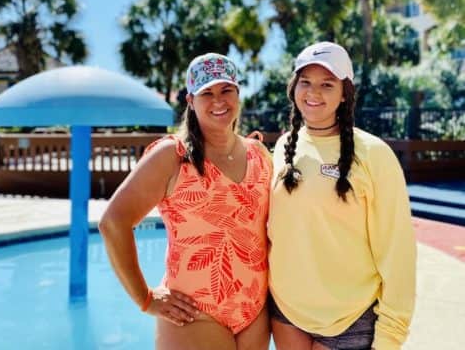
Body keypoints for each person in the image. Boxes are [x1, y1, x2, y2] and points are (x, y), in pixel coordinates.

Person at [99, 52, 272, 350]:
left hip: (255, 310)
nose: (219, 100)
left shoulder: (259, 154)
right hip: (193, 312)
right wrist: (145, 298)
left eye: (226, 90)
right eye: (207, 93)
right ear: (191, 101)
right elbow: (113, 222)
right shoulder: (173, 156)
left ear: (238, 94)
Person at [268, 41, 416, 350]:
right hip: (286, 313)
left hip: (349, 319)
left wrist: (390, 336)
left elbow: (398, 252)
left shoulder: (374, 154)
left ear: (344, 92)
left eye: (327, 84)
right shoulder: (282, 147)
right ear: (293, 87)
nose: (313, 92)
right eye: (305, 82)